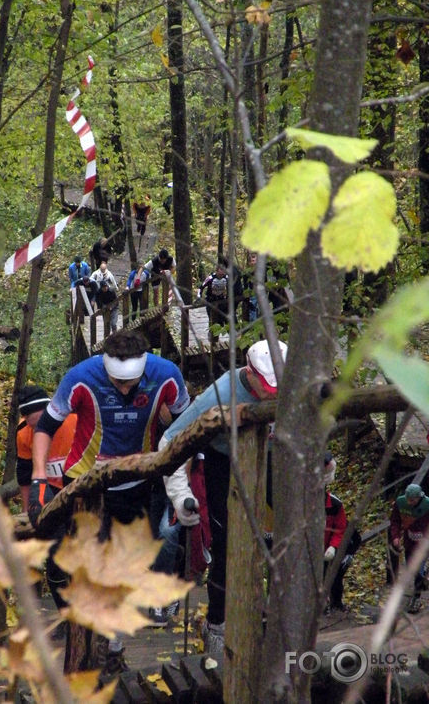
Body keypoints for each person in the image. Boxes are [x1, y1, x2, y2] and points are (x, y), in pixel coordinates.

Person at [29, 331, 190, 677]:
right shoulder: (80, 377)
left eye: (131, 384)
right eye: (117, 382)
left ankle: (112, 644)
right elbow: (45, 426)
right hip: (86, 482)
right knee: (77, 564)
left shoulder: (166, 374)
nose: (124, 390)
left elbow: (186, 425)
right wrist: (39, 480)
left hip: (139, 479)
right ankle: (87, 648)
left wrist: (181, 483)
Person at [159, 338, 287, 654]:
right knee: (227, 541)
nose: (270, 397)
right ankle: (217, 622)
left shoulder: (293, 381)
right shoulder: (222, 392)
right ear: (250, 370)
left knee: (291, 530)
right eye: (267, 390)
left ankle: (275, 611)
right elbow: (170, 439)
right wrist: (179, 493)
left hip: (271, 456)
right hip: (223, 462)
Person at [16, 385, 77, 512]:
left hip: (80, 486)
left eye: (42, 424)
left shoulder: (75, 419)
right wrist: (26, 510)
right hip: (49, 489)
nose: (40, 432)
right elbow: (24, 474)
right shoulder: (23, 433)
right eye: (34, 428)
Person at [390, 483, 429, 613]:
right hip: (409, 542)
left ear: (419, 498)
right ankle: (422, 581)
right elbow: (395, 520)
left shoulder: (427, 505)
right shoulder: (401, 503)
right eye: (408, 499)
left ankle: (416, 598)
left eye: (412, 500)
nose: (409, 502)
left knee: (418, 568)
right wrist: (395, 537)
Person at [199, 262, 230, 329]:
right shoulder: (210, 278)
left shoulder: (227, 278)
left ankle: (219, 331)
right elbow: (201, 287)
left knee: (221, 319)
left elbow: (231, 287)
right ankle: (211, 333)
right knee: (211, 318)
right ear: (217, 270)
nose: (222, 272)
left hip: (221, 300)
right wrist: (199, 297)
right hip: (211, 300)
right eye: (221, 270)